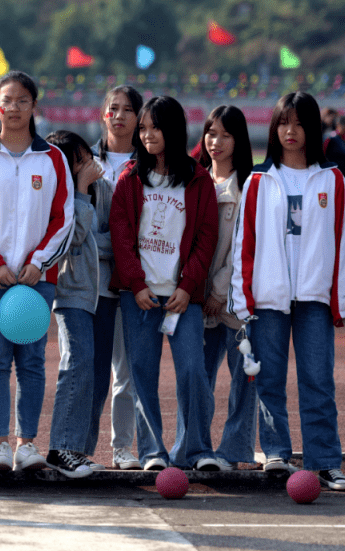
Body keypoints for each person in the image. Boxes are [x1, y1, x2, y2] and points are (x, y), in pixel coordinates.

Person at [229, 92, 345, 491]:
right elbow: (243, 244)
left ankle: (326, 461)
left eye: (300, 123)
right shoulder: (259, 181)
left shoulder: (332, 179)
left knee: (318, 381)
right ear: (274, 128)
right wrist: (242, 297)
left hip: (315, 298)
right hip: (269, 298)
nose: (291, 131)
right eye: (284, 123)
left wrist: (342, 301)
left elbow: (343, 246)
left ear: (312, 128)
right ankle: (277, 453)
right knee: (270, 380)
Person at [0, 70, 74, 473]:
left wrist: (37, 262)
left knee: (30, 362)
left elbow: (63, 218)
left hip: (37, 281)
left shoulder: (53, 158)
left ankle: (26, 444)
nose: (13, 108)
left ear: (33, 106)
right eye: (6, 100)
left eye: (22, 100)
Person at [109, 95, 219, 472]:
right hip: (138, 295)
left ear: (172, 130)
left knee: (192, 371)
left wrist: (188, 286)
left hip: (181, 297)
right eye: (143, 128)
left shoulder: (198, 179)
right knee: (142, 374)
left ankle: (196, 449)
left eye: (155, 127)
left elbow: (206, 236)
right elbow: (121, 236)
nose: (148, 135)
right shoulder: (129, 177)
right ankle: (152, 452)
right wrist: (136, 284)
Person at [43, 130, 110, 478]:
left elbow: (120, 236)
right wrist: (81, 191)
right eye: (78, 161)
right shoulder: (62, 196)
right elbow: (73, 238)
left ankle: (80, 450)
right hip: (71, 292)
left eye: (88, 157)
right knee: (77, 362)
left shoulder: (105, 190)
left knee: (96, 374)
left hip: (106, 294)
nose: (88, 165)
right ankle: (61, 448)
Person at [196, 105, 258, 471]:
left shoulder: (249, 186)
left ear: (239, 140)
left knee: (243, 379)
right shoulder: (196, 181)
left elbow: (244, 244)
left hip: (236, 300)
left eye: (225, 134)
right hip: (198, 300)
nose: (215, 142)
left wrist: (221, 289)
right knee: (197, 376)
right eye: (210, 133)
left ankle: (235, 449)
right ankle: (194, 446)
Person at [93, 85, 143, 471]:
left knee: (126, 372)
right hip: (89, 282)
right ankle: (79, 447)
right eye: (114, 108)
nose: (120, 115)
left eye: (128, 109)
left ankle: (122, 448)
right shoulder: (84, 162)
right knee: (87, 370)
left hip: (133, 282)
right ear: (103, 114)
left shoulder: (151, 166)